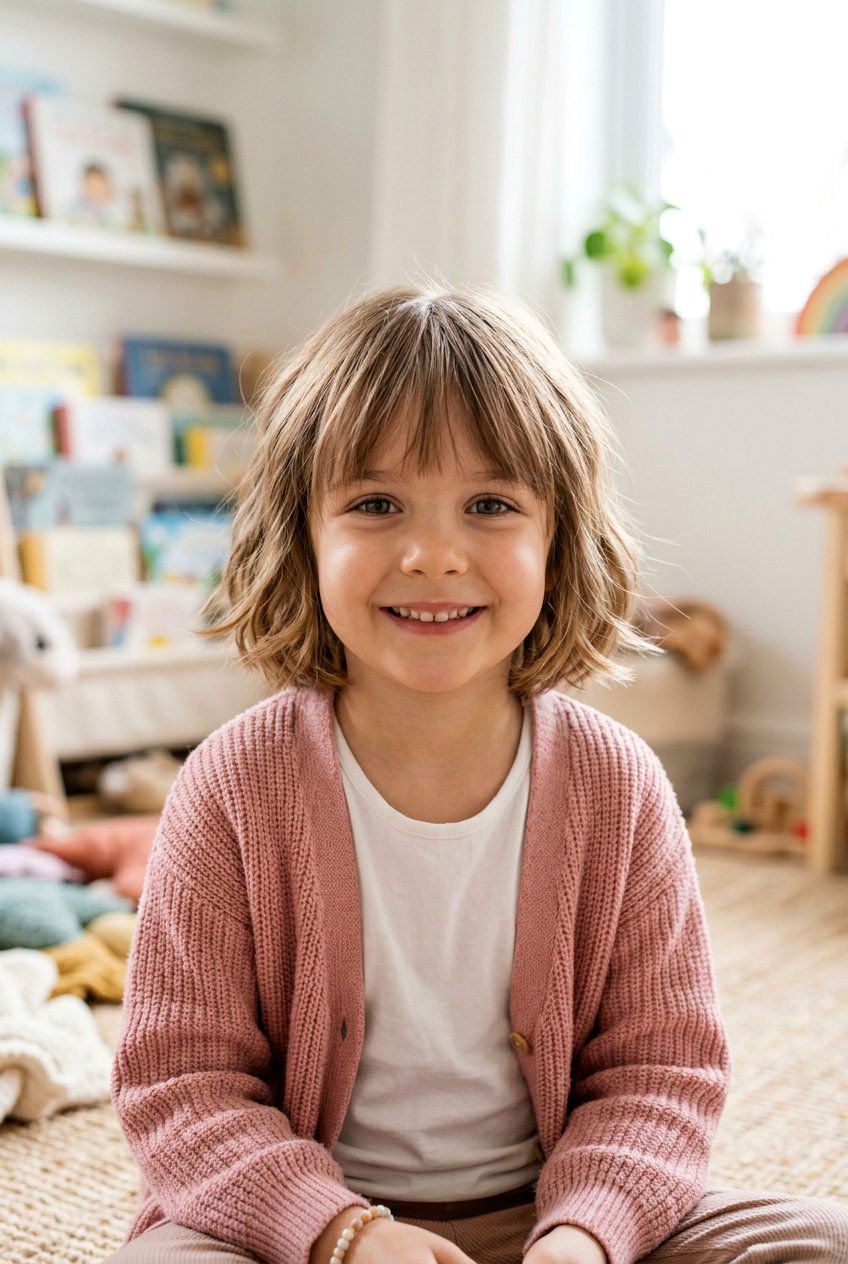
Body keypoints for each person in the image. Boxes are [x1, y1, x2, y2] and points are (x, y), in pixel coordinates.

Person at [104, 284, 848, 1264]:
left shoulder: (614, 783)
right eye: (374, 504)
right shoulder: (233, 784)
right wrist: (343, 1233)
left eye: (489, 505)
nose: (430, 553)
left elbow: (658, 1071)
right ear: (301, 531)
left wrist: (584, 1234)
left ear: (557, 537)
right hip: (310, 1231)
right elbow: (181, 1084)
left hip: (560, 1217)